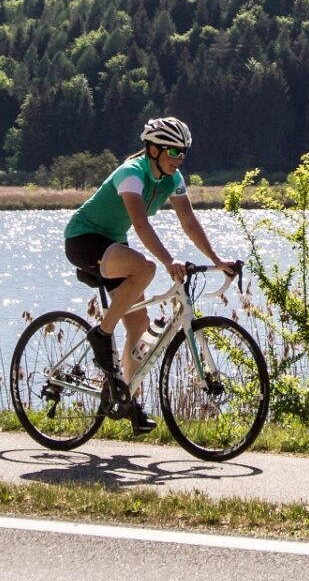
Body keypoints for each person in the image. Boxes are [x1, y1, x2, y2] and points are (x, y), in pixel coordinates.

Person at [62, 116, 239, 432]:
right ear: (154, 149)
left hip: (114, 244)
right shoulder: (132, 174)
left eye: (183, 152)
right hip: (84, 240)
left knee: (140, 329)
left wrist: (216, 259)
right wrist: (170, 260)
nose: (179, 159)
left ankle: (126, 399)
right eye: (173, 152)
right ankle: (101, 335)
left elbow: (188, 221)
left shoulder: (174, 178)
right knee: (146, 268)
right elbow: (141, 224)